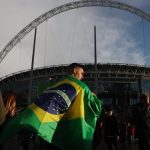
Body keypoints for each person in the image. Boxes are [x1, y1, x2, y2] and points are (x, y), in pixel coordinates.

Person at [0, 63, 103, 150]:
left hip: (51, 133)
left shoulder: (54, 86)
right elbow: (96, 108)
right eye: (82, 73)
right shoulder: (81, 87)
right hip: (67, 135)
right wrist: (94, 97)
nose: (82, 76)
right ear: (75, 70)